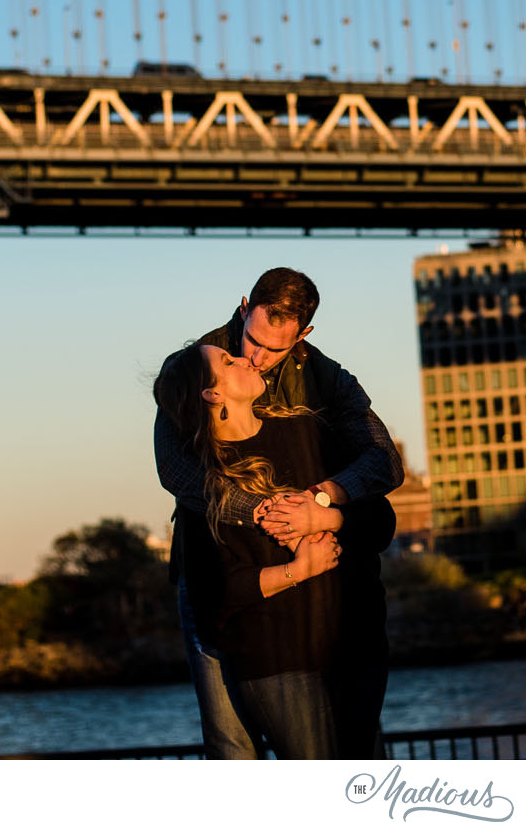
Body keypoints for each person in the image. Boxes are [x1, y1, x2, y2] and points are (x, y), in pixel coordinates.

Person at [154, 267, 403, 757]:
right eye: (251, 341)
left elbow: (383, 459)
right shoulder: (198, 365)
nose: (258, 357)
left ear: (303, 334)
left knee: (349, 750)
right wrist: (268, 508)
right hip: (221, 572)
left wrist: (323, 501)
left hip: (313, 600)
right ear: (245, 307)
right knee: (232, 747)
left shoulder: (327, 378)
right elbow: (176, 473)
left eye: (276, 349)